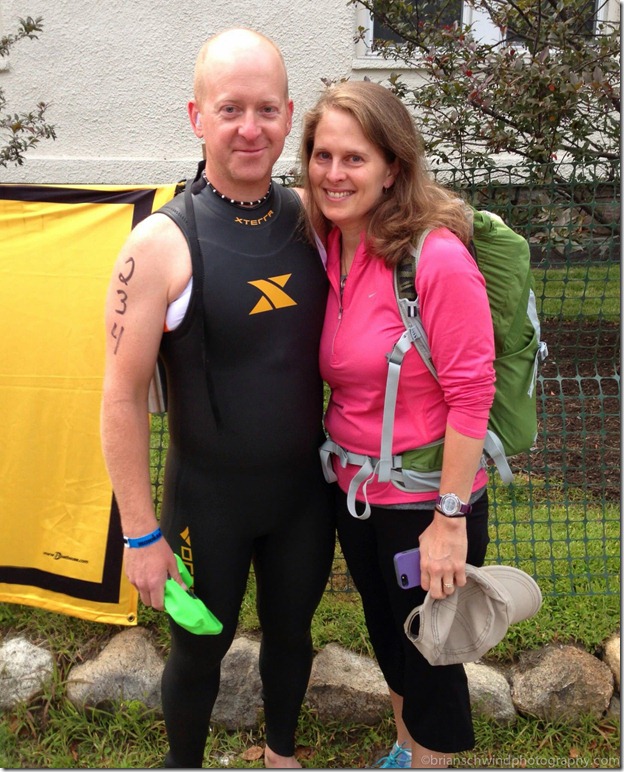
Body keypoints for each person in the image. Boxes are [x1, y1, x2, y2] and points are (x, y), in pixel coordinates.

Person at [100, 28, 335, 769]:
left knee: (294, 635)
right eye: (229, 108)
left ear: (289, 114)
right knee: (199, 648)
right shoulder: (159, 245)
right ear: (196, 115)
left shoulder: (315, 221)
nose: (250, 127)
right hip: (204, 507)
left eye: (267, 109)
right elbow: (121, 398)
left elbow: (411, 234)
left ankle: (281, 754)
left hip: (304, 497)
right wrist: (140, 534)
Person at [300, 80, 496, 769]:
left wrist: (449, 520)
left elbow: (473, 392)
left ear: (393, 167)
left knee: (432, 654)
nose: (333, 173)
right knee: (389, 637)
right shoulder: (333, 246)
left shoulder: (434, 259)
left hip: (426, 502)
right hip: (358, 494)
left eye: (355, 158)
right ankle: (406, 750)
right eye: (323, 155)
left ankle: (428, 756)